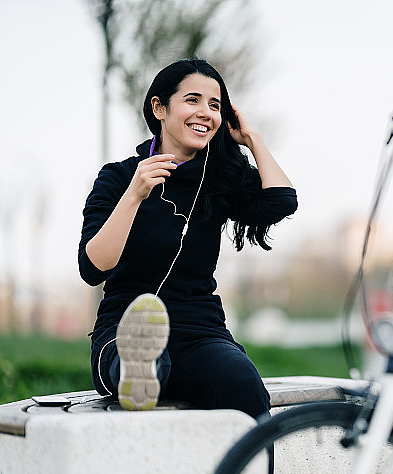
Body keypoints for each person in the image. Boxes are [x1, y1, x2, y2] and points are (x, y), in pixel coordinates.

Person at [78, 58, 296, 417]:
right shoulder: (118, 178)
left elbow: (282, 200)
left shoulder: (221, 178)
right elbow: (92, 267)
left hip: (200, 331)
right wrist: (135, 194)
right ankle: (141, 372)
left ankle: (247, 473)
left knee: (243, 385)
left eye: (215, 105)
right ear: (159, 107)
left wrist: (252, 138)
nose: (206, 113)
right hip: (126, 325)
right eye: (193, 100)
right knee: (143, 365)